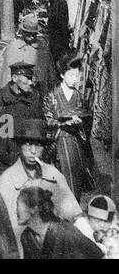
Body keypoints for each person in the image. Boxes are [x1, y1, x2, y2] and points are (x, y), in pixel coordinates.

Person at [0, 118, 86, 248]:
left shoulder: (54, 176)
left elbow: (75, 216)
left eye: (38, 145)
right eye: (27, 144)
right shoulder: (7, 181)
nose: (33, 151)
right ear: (20, 146)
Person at [0, 56, 43, 184]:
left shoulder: (34, 98)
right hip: (1, 163)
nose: (31, 82)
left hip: (26, 161)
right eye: (27, 79)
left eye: (31, 78)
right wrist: (0, 149)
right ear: (14, 78)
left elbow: (40, 126)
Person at [43, 51, 94, 200]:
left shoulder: (80, 97)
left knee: (75, 184)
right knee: (59, 186)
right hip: (58, 144)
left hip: (76, 143)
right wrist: (64, 123)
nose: (75, 79)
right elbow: (48, 120)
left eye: (77, 76)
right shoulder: (52, 96)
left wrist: (81, 122)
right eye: (71, 75)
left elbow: (88, 118)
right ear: (62, 75)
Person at [17, 183, 104, 261]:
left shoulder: (66, 232)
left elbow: (97, 255)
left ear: (34, 209)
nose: (16, 211)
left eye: (18, 205)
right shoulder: (26, 237)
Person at [0, 13, 54, 96]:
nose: (31, 37)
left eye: (33, 34)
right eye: (28, 33)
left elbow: (49, 74)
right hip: (16, 94)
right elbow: (5, 76)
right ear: (23, 32)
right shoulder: (13, 47)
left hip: (36, 93)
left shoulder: (42, 49)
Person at [46, 0, 71, 67]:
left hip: (59, 38)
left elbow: (59, 21)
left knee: (58, 59)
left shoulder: (61, 3)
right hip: (55, 36)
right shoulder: (54, 2)